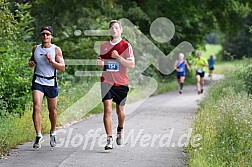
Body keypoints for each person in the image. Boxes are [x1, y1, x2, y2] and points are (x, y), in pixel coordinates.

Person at [97, 20, 135, 150]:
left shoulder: (126, 45)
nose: (114, 30)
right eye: (112, 28)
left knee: (120, 112)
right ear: (109, 31)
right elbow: (101, 60)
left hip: (121, 82)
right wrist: (100, 63)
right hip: (106, 81)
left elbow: (131, 65)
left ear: (121, 30)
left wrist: (118, 57)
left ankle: (120, 129)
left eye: (117, 28)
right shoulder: (104, 45)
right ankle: (109, 139)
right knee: (107, 108)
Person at [28, 26, 65, 149]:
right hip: (38, 81)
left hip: (51, 83)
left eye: (48, 34)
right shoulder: (36, 48)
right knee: (36, 106)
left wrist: (51, 61)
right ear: (40, 35)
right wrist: (31, 63)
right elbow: (31, 61)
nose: (45, 36)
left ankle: (53, 132)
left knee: (52, 110)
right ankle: (38, 135)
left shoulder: (56, 50)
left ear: (51, 36)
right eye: (43, 34)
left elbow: (62, 67)